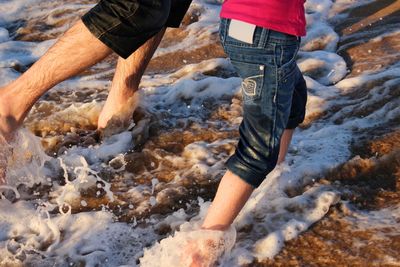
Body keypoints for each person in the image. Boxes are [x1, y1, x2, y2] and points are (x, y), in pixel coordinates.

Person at [200, 0, 308, 233]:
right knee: (257, 152)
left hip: (236, 25)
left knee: (293, 101)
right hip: (268, 35)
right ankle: (201, 249)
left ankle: (274, 178)